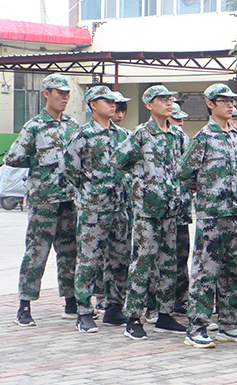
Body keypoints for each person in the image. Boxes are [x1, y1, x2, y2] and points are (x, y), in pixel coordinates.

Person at [178, 84, 237, 348]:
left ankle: (230, 323)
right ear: (210, 104)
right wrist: (208, 192)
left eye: (232, 101)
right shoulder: (204, 137)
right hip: (212, 215)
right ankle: (196, 326)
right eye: (224, 101)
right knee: (205, 271)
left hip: (236, 213)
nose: (230, 105)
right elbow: (185, 172)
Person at [111, 85, 189, 340]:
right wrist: (141, 182)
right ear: (149, 104)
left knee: (169, 263)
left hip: (170, 208)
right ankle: (133, 317)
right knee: (142, 262)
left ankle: (165, 315)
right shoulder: (141, 134)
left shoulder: (176, 135)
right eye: (162, 99)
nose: (168, 103)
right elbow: (118, 160)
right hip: (147, 210)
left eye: (170, 99)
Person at [6, 74, 81, 327]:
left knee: (70, 252)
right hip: (44, 201)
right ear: (46, 94)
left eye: (67, 93)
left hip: (69, 199)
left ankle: (71, 302)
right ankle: (24, 306)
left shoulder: (72, 125)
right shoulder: (34, 126)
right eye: (59, 93)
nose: (64, 97)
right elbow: (13, 157)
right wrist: (39, 164)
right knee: (36, 253)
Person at [62, 86, 128, 332]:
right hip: (93, 208)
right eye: (107, 101)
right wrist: (89, 189)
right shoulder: (83, 136)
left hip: (120, 207)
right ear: (93, 105)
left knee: (119, 258)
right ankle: (85, 312)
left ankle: (113, 308)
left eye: (114, 102)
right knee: (89, 260)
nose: (113, 105)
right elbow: (70, 168)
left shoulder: (123, 135)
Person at [168, 103, 192, 314]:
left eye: (181, 120)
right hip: (161, 211)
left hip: (181, 209)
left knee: (181, 256)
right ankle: (156, 304)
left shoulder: (185, 140)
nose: (180, 124)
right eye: (176, 120)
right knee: (161, 257)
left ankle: (180, 299)